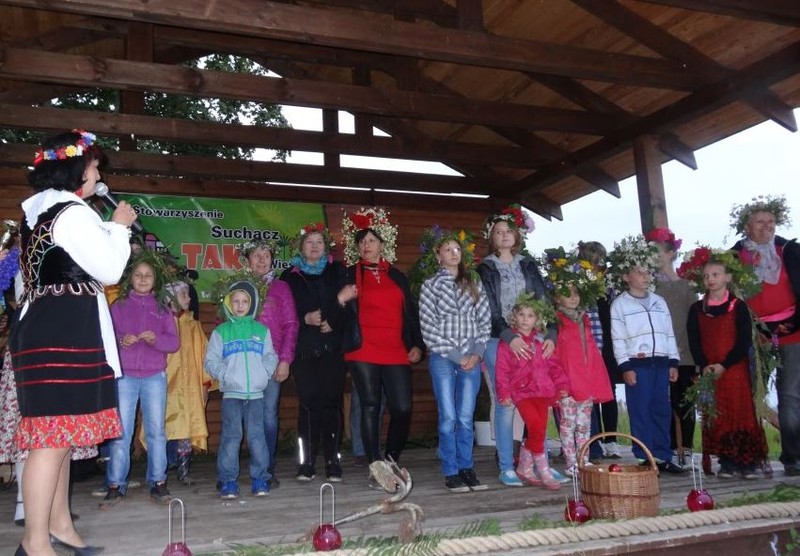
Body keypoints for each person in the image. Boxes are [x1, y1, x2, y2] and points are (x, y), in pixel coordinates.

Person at [9, 130, 135, 555]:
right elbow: (111, 270)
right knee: (50, 441)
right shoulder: (72, 214)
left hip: (49, 326)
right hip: (62, 331)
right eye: (95, 166)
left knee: (60, 437)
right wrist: (119, 228)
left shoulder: (39, 216)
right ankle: (34, 541)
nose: (99, 173)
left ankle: (59, 525)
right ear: (78, 171)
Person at [341, 207, 424, 485]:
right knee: (370, 405)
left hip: (395, 349)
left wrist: (417, 344)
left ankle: (391, 458)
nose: (366, 245)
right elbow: (336, 310)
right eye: (362, 241)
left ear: (382, 244)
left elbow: (411, 314)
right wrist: (341, 299)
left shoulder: (398, 276)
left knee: (402, 408)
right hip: (363, 348)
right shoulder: (349, 274)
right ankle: (376, 466)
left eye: (372, 240)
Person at [477, 204, 555, 487]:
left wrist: (550, 335)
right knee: (506, 401)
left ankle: (538, 460)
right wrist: (510, 337)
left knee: (538, 398)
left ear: (517, 235)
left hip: (532, 338)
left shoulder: (528, 264)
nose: (504, 235)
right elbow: (488, 308)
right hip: (499, 340)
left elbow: (543, 301)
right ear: (491, 237)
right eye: (498, 232)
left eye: (508, 231)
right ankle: (506, 465)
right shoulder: (484, 268)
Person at [681, 249, 769, 479]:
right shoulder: (697, 309)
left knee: (740, 412)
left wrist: (725, 364)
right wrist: (705, 365)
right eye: (707, 276)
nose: (710, 279)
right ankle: (727, 462)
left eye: (716, 274)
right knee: (717, 414)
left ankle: (747, 462)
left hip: (734, 369)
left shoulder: (738, 306)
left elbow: (743, 341)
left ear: (727, 277)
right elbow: (694, 340)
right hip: (710, 371)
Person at [416, 228, 492, 492]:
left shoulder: (473, 283)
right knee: (448, 417)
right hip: (444, 358)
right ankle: (450, 470)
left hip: (472, 357)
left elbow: (484, 320)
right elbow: (428, 328)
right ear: (438, 256)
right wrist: (459, 356)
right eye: (448, 249)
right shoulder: (430, 286)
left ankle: (466, 467)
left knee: (464, 416)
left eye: (457, 249)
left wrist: (477, 353)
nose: (453, 253)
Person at [730, 194, 800, 476]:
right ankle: (747, 457)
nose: (767, 227)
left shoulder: (790, 251)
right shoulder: (734, 257)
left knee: (792, 394)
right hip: (752, 335)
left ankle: (793, 457)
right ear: (747, 226)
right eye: (760, 222)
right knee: (748, 394)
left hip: (794, 331)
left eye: (771, 222)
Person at [104, 250, 180, 507]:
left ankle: (158, 482)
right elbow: (108, 338)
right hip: (125, 377)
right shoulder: (119, 306)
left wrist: (155, 340)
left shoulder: (163, 308)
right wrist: (120, 341)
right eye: (138, 275)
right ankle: (115, 484)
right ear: (130, 279)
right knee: (122, 433)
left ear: (155, 279)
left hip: (154, 377)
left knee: (156, 431)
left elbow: (173, 343)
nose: (143, 278)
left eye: (148, 275)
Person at [607, 235, 684, 474]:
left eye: (647, 272)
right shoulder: (620, 305)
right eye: (639, 272)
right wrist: (625, 366)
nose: (645, 276)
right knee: (640, 410)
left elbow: (668, 333)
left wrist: (673, 361)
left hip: (661, 364)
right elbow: (618, 339)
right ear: (626, 277)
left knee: (661, 409)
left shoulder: (659, 302)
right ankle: (645, 455)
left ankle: (663, 455)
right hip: (637, 366)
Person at [281, 223, 352, 482]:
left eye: (319, 242)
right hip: (304, 350)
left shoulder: (338, 271)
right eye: (309, 242)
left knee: (332, 404)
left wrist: (333, 320)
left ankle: (333, 461)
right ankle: (306, 462)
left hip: (332, 348)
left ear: (326, 247)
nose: (314, 246)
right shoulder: (289, 276)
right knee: (309, 405)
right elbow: (283, 314)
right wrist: (304, 318)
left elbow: (351, 305)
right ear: (301, 247)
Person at [541, 248, 613, 476]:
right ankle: (571, 461)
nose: (574, 297)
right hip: (568, 384)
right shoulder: (555, 321)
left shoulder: (585, 319)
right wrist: (560, 383)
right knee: (568, 423)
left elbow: (591, 350)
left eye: (576, 293)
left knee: (584, 424)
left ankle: (583, 458)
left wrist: (596, 378)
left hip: (587, 380)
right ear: (556, 297)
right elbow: (554, 357)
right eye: (567, 293)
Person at [205, 279, 278, 498]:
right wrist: (224, 375)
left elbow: (270, 356)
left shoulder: (262, 331)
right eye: (235, 301)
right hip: (232, 395)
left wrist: (264, 373)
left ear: (252, 304)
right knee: (231, 436)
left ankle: (260, 478)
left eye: (244, 301)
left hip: (256, 395)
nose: (239, 305)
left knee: (257, 437)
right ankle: (227, 480)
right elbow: (210, 360)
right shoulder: (221, 332)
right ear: (228, 303)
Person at [239, 239, 298, 488]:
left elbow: (291, 325)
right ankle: (246, 467)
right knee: (242, 416)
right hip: (242, 362)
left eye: (266, 255)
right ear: (247, 260)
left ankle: (266, 468)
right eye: (256, 255)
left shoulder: (281, 288)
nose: (262, 260)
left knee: (268, 417)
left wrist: (285, 360)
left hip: (271, 362)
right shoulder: (237, 287)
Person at [495, 293, 568, 490]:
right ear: (514, 318)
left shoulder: (541, 341)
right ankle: (543, 470)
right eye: (522, 315)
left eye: (530, 315)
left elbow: (555, 366)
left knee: (540, 431)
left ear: (537, 319)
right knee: (535, 426)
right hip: (522, 392)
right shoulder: (507, 344)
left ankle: (524, 468)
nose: (525, 319)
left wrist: (562, 386)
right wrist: (504, 393)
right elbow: (502, 371)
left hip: (543, 392)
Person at [645, 228, 698, 466]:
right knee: (662, 403)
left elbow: (694, 322)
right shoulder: (649, 287)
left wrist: (697, 357)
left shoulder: (686, 286)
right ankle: (665, 449)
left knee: (685, 403)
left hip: (684, 354)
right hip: (658, 355)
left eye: (658, 251)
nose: (655, 257)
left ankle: (685, 449)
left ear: (670, 253)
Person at [161, 280, 212, 486]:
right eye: (184, 295)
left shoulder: (194, 326)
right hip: (167, 387)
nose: (189, 299)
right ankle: (161, 470)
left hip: (190, 387)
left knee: (187, 428)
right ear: (171, 298)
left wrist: (205, 384)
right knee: (166, 427)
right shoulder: (162, 323)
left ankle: (183, 471)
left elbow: (204, 356)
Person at [576, 241, 622, 461]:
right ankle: (595, 441)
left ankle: (611, 439)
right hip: (587, 345)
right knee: (591, 394)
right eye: (589, 260)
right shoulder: (577, 283)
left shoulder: (608, 284)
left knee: (609, 391)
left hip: (608, 343)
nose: (593, 265)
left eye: (596, 261)